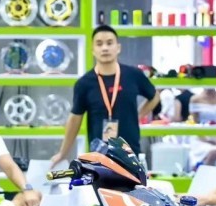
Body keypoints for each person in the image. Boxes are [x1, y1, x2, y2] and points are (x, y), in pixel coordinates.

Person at [51, 25, 159, 163]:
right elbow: (75, 119)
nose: (105, 48)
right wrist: (62, 153)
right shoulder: (84, 83)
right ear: (92, 50)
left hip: (130, 154)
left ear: (118, 47)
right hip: (99, 157)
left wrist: (138, 115)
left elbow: (154, 96)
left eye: (109, 43)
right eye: (99, 44)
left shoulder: (134, 75)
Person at [187, 88, 216, 167]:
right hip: (201, 135)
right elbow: (194, 123)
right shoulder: (195, 99)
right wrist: (205, 139)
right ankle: (204, 174)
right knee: (212, 153)